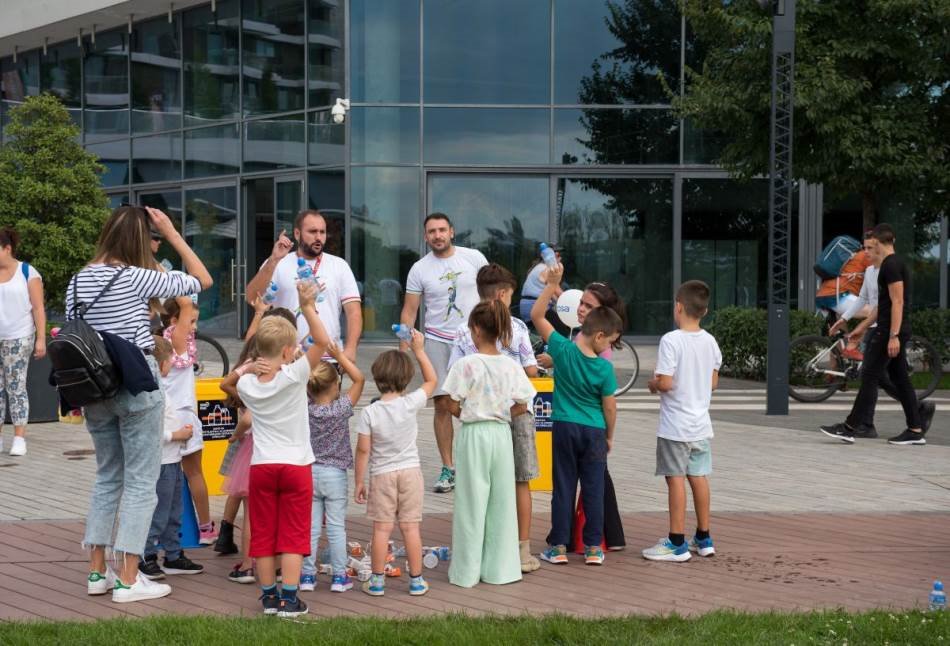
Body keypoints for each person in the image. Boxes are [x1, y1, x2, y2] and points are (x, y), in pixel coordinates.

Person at [73, 205, 212, 603]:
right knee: (139, 482)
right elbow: (201, 279)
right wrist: (170, 232)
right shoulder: (137, 277)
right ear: (139, 239)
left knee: (107, 478)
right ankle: (129, 578)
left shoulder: (79, 279)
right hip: (136, 387)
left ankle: (97, 572)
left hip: (96, 388)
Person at [223, 280, 330, 617]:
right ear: (287, 351)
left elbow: (234, 377)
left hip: (262, 466)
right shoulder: (295, 375)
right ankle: (289, 598)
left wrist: (251, 365)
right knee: (294, 534)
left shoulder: (247, 384)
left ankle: (268, 597)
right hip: (296, 466)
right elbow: (323, 342)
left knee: (265, 534)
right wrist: (308, 305)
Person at [449, 263, 542, 573]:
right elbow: (530, 372)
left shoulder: (464, 329)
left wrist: (466, 409)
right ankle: (521, 551)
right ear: (503, 294)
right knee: (519, 481)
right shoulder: (518, 327)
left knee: (478, 486)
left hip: (476, 418)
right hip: (514, 413)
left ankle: (480, 551)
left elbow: (454, 380)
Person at [531, 263, 621, 566]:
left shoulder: (562, 350)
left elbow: (536, 316)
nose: (608, 345)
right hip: (594, 430)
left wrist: (550, 286)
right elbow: (610, 405)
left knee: (563, 487)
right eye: (608, 340)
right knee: (593, 488)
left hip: (564, 427)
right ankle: (594, 547)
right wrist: (610, 435)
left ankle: (558, 546)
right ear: (599, 336)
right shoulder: (605, 368)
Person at [820, 224, 936, 445]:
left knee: (870, 376)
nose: (867, 253)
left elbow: (897, 302)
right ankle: (915, 428)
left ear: (883, 244)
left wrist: (893, 335)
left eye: (871, 248)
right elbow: (881, 306)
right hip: (887, 328)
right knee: (900, 378)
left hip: (887, 331)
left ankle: (850, 427)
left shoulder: (891, 266)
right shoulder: (887, 267)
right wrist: (860, 327)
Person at [401, 212, 488, 493]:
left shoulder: (473, 257)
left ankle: (478, 465)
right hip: (437, 340)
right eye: (431, 232)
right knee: (441, 404)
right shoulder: (419, 269)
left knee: (477, 402)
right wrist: (403, 354)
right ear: (425, 236)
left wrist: (498, 334)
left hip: (473, 339)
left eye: (441, 230)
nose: (437, 235)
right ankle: (448, 468)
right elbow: (410, 311)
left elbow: (492, 296)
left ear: (452, 231)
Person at [642, 281, 722, 562]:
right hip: (701, 423)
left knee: (675, 479)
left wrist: (652, 384)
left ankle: (676, 542)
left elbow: (665, 382)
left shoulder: (671, 340)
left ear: (678, 307)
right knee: (698, 477)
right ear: (705, 310)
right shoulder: (710, 341)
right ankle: (704, 536)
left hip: (675, 425)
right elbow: (713, 382)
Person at [354, 331, 437, 597]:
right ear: (406, 378)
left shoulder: (369, 412)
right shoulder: (411, 403)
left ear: (376, 379)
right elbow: (433, 380)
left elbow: (363, 450)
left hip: (382, 475)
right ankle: (416, 581)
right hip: (411, 472)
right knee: (411, 527)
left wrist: (358, 481)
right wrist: (420, 350)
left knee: (381, 529)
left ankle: (377, 581)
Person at [244, 209, 362, 360]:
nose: (318, 237)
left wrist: (351, 348)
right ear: (297, 234)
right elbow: (252, 297)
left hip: (328, 357)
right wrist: (273, 260)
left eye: (322, 232)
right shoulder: (277, 262)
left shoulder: (339, 265)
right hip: (285, 357)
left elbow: (354, 313)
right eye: (312, 232)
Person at [300, 343, 365, 593]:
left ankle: (307, 576)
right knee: (336, 527)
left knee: (311, 527)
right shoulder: (341, 408)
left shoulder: (305, 408)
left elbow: (305, 386)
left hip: (310, 472)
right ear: (336, 385)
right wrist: (340, 356)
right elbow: (360, 379)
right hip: (335, 475)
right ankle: (339, 577)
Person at [139, 336, 204, 579]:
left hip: (173, 460)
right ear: (162, 363)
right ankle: (146, 554)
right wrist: (176, 435)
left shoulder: (161, 389)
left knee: (174, 510)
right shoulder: (153, 393)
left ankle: (173, 553)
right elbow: (149, 432)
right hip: (161, 461)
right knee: (159, 511)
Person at [160, 296, 216, 545]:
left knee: (165, 476)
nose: (193, 327)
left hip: (164, 417)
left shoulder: (159, 345)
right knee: (194, 473)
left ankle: (161, 529)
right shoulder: (178, 343)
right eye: (190, 321)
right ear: (175, 321)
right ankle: (205, 527)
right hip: (182, 415)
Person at [0, 227, 46, 457]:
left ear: (7, 248)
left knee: (15, 386)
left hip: (19, 336)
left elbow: (38, 308)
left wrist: (41, 339)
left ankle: (19, 438)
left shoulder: (27, 272)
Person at [519, 245, 570, 337]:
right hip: (534, 307)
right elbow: (558, 292)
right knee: (563, 331)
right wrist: (574, 301)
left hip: (527, 306)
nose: (560, 258)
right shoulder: (546, 269)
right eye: (558, 255)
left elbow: (552, 294)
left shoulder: (538, 267)